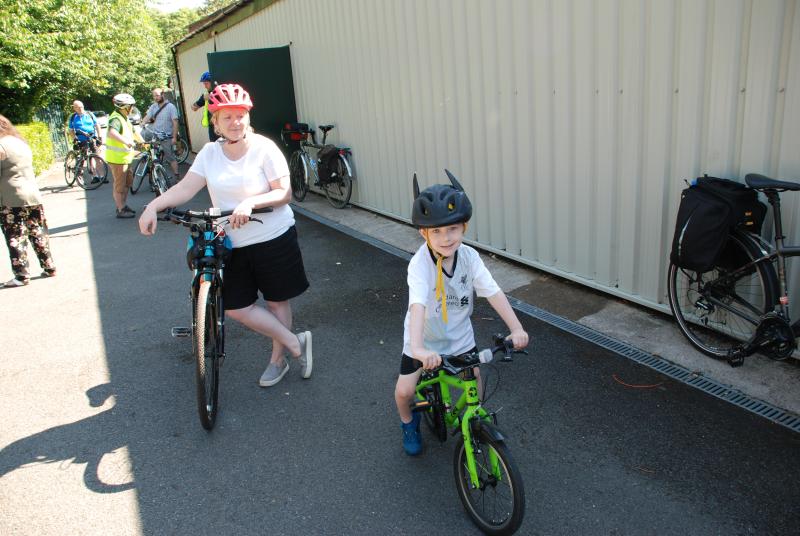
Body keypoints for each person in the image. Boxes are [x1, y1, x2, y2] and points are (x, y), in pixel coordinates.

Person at [139, 83, 313, 387]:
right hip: (233, 240)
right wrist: (152, 206)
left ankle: (278, 359)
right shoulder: (209, 153)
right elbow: (185, 188)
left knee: (276, 301)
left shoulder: (264, 148)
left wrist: (250, 202)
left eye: (240, 115)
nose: (235, 122)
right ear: (215, 123)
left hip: (273, 236)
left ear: (248, 117)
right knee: (235, 306)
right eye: (227, 117)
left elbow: (284, 193)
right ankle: (292, 340)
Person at [393, 171, 529, 455]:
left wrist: (517, 328)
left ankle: (475, 423)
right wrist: (417, 348)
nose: (446, 238)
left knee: (475, 378)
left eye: (453, 229)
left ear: (464, 227)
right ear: (423, 233)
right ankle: (408, 422)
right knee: (405, 392)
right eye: (437, 232)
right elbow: (417, 305)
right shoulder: (419, 265)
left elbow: (493, 292)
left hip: (458, 336)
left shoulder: (469, 258)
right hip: (424, 339)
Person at [0, 114, 57, 287]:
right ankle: (49, 266)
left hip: (11, 197)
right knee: (37, 231)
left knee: (15, 235)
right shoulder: (19, 142)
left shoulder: (1, 145)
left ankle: (21, 275)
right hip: (32, 193)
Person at [105, 93, 144, 218]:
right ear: (124, 107)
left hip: (125, 159)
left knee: (127, 184)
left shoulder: (124, 118)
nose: (132, 108)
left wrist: (143, 142)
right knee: (119, 186)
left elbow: (134, 132)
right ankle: (121, 209)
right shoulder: (116, 118)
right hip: (117, 159)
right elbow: (111, 132)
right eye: (131, 106)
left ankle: (123, 205)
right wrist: (126, 141)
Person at [141, 88, 180, 178]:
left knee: (170, 157)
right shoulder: (153, 106)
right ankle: (154, 176)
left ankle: (177, 175)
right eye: (154, 96)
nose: (155, 97)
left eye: (157, 95)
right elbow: (148, 116)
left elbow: (175, 122)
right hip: (155, 135)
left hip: (166, 136)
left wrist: (174, 137)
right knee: (151, 154)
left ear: (163, 95)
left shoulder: (171, 107)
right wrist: (143, 122)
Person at [190, 71, 218, 142]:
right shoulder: (205, 95)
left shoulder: (220, 92)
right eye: (204, 84)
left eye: (206, 83)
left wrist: (211, 97)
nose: (205, 86)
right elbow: (194, 107)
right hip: (212, 128)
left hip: (222, 126)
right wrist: (202, 99)